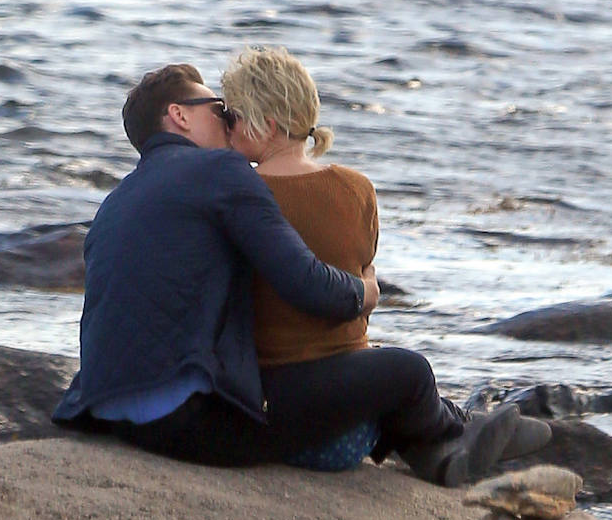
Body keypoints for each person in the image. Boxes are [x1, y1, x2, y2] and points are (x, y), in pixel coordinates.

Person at [219, 46, 550, 483]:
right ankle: (466, 428)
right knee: (407, 371)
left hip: (286, 407)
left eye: (232, 117)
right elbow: (362, 285)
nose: (226, 128)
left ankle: (447, 452)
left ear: (268, 124)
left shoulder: (235, 194)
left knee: (391, 372)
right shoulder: (356, 189)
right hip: (343, 425)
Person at [52, 63, 382, 467]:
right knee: (405, 374)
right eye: (221, 110)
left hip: (100, 411)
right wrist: (365, 291)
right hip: (185, 420)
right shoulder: (220, 171)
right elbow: (307, 285)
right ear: (180, 115)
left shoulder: (116, 201)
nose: (231, 123)